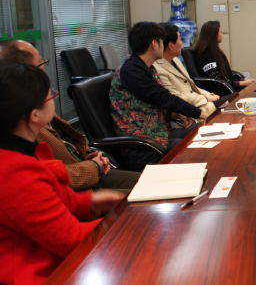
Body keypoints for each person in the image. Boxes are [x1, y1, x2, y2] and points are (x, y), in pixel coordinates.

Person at [0, 64, 123, 285]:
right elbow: (71, 240)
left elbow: (48, 200)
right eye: (50, 94)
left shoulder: (19, 151)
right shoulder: (15, 171)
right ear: (35, 114)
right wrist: (123, 221)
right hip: (39, 274)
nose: (54, 96)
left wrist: (90, 201)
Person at [0, 40, 140, 194]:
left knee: (153, 185)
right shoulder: (22, 124)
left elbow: (70, 145)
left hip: (88, 172)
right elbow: (53, 180)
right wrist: (93, 167)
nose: (45, 68)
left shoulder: (32, 105)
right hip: (82, 186)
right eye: (42, 62)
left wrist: (88, 155)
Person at [110, 22, 210, 164]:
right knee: (202, 148)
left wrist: (175, 115)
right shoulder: (131, 70)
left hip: (160, 135)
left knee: (205, 131)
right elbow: (165, 98)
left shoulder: (144, 66)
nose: (163, 45)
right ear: (154, 44)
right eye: (162, 41)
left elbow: (150, 103)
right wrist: (203, 114)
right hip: (144, 146)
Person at [154, 23, 235, 115]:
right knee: (235, 98)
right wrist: (205, 98)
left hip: (200, 100)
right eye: (180, 39)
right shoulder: (158, 69)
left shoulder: (176, 60)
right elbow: (175, 97)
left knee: (236, 99)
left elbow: (192, 86)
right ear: (171, 45)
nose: (182, 42)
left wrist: (207, 94)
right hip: (191, 109)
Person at [195, 20, 256, 92]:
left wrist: (244, 80)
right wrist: (243, 83)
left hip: (229, 88)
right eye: (220, 32)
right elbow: (218, 83)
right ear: (213, 35)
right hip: (223, 93)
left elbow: (227, 73)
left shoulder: (216, 53)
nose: (222, 34)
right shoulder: (206, 57)